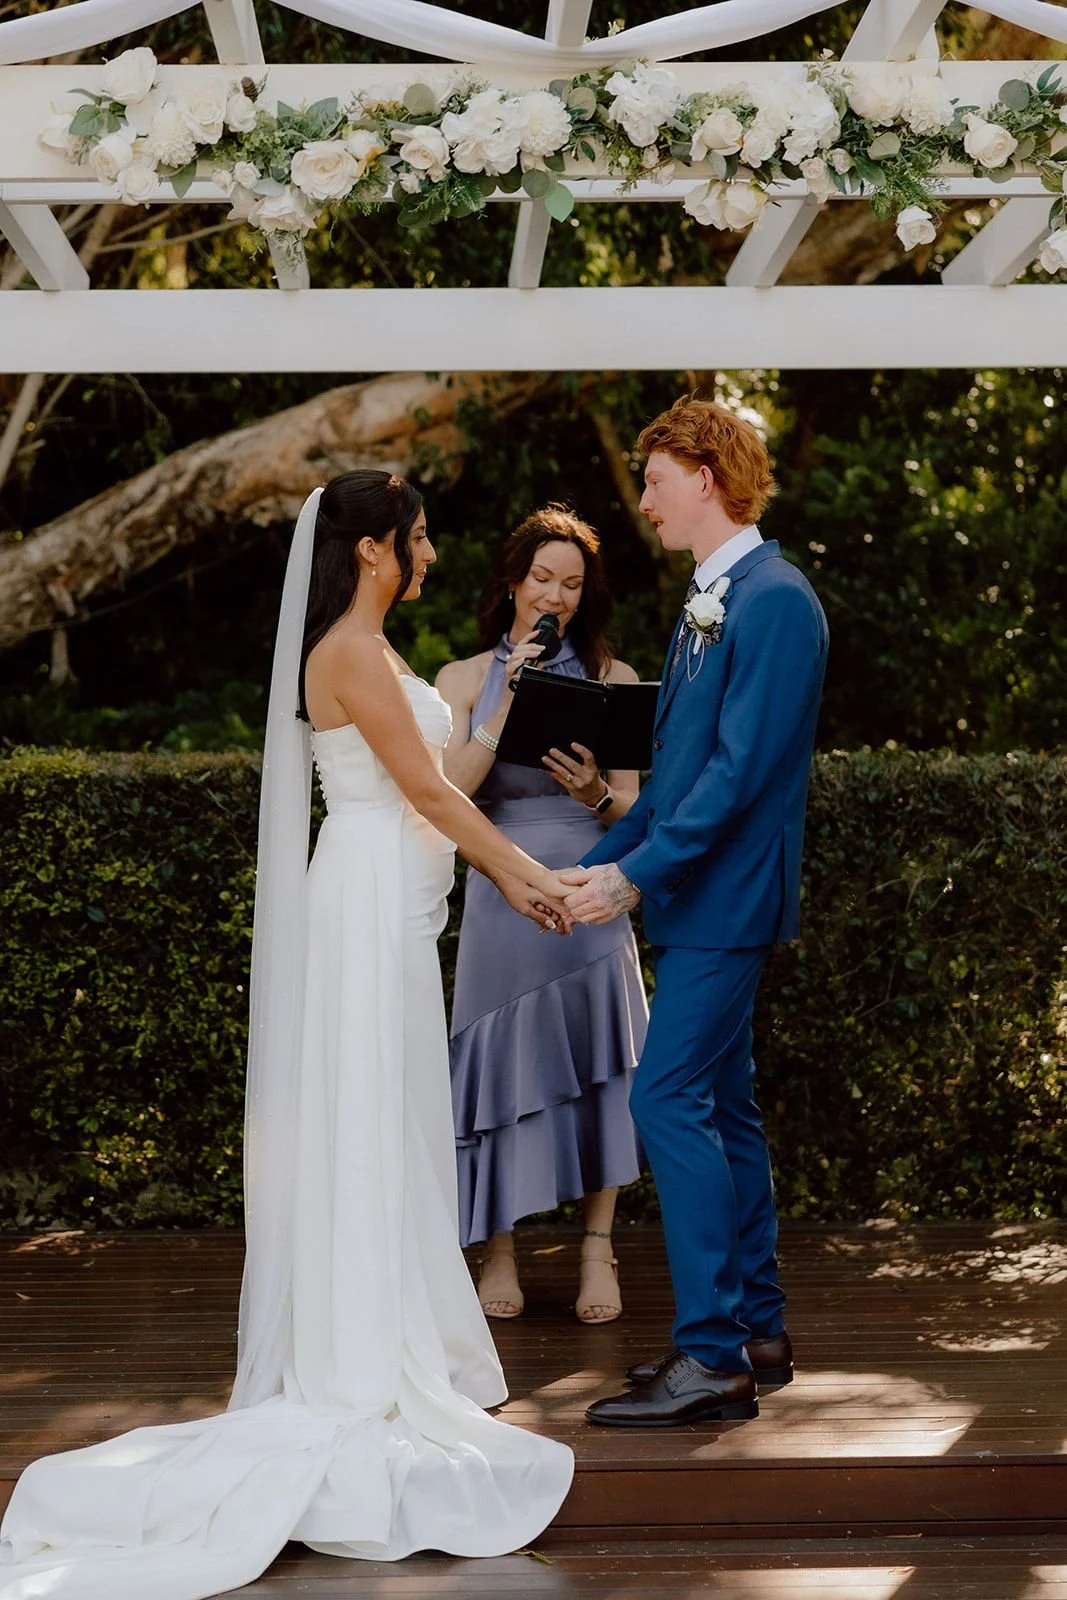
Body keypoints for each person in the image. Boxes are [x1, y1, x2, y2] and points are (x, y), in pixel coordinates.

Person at [0, 471, 573, 1598]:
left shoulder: (375, 649)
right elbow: (429, 795)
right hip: (362, 898)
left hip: (390, 899)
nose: (430, 554)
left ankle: (396, 1323)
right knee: (367, 1113)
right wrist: (526, 873)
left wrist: (503, 755)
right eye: (418, 536)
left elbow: (442, 780)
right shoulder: (350, 653)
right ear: (371, 549)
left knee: (395, 1112)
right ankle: (360, 1352)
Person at [562, 398, 829, 1428]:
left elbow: (738, 778)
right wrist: (593, 866)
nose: (643, 499)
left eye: (654, 479)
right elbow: (676, 782)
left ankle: (711, 1356)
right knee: (719, 1105)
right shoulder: (707, 601)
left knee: (664, 1101)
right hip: (694, 896)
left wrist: (629, 881)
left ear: (704, 479)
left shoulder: (773, 601)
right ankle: (754, 1330)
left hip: (725, 900)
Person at [436, 507, 647, 1326]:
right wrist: (505, 701)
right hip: (501, 887)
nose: (553, 594)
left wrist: (595, 792)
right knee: (496, 1070)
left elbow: (635, 814)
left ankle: (598, 1248)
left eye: (570, 582)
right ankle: (498, 1247)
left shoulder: (614, 677)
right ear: (513, 584)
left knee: (603, 1069)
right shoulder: (458, 679)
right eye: (541, 579)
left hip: (591, 888)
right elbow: (446, 792)